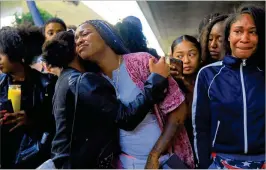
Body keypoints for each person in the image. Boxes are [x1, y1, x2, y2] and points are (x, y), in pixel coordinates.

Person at [40, 31, 170, 169]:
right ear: (75, 51)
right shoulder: (82, 81)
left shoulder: (63, 80)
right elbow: (125, 118)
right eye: (79, 41)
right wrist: (155, 80)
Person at [75, 20, 194, 169]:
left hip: (163, 161)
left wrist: (154, 155)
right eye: (76, 39)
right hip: (124, 164)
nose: (79, 40)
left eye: (84, 34)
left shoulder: (141, 62)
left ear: (104, 34)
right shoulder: (93, 82)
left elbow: (179, 110)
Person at [192, 5, 265, 169]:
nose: (244, 38)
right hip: (222, 162)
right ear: (228, 36)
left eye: (252, 31)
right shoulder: (208, 74)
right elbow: (200, 127)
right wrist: (205, 165)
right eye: (238, 31)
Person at [0, 26, 55, 168]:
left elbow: (58, 123)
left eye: (1, 54)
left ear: (15, 52)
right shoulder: (1, 84)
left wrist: (31, 119)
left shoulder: (48, 84)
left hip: (37, 158)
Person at [170, 35, 202, 166]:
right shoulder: (168, 83)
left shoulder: (208, 78)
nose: (186, 61)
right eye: (179, 56)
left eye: (192, 54)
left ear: (200, 55)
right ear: (172, 57)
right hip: (180, 149)